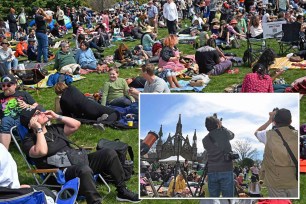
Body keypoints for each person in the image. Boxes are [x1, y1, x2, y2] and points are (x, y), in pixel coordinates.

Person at [19, 106, 140, 203]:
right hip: (60, 173)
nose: (42, 113)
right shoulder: (29, 140)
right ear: (31, 123)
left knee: (109, 153)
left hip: (77, 160)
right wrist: (39, 129)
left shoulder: (54, 129)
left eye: (40, 110)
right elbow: (42, 151)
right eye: (37, 113)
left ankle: (122, 191)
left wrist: (57, 116)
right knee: (84, 169)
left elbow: (76, 125)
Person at [254, 108, 298, 197]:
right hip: (294, 180)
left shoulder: (268, 135)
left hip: (275, 182)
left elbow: (256, 132)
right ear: (290, 121)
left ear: (275, 121)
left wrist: (269, 120)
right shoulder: (297, 134)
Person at [0, 74, 38, 149]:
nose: (5, 87)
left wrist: (28, 106)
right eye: (3, 85)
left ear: (15, 85)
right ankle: (4, 155)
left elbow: (36, 106)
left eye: (8, 85)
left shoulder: (23, 94)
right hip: (6, 121)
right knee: (5, 121)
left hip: (23, 119)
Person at [202, 114, 235, 197]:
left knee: (213, 198)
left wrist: (216, 124)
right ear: (217, 124)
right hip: (226, 169)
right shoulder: (223, 133)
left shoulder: (204, 140)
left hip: (212, 171)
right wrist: (221, 126)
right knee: (228, 199)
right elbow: (232, 135)